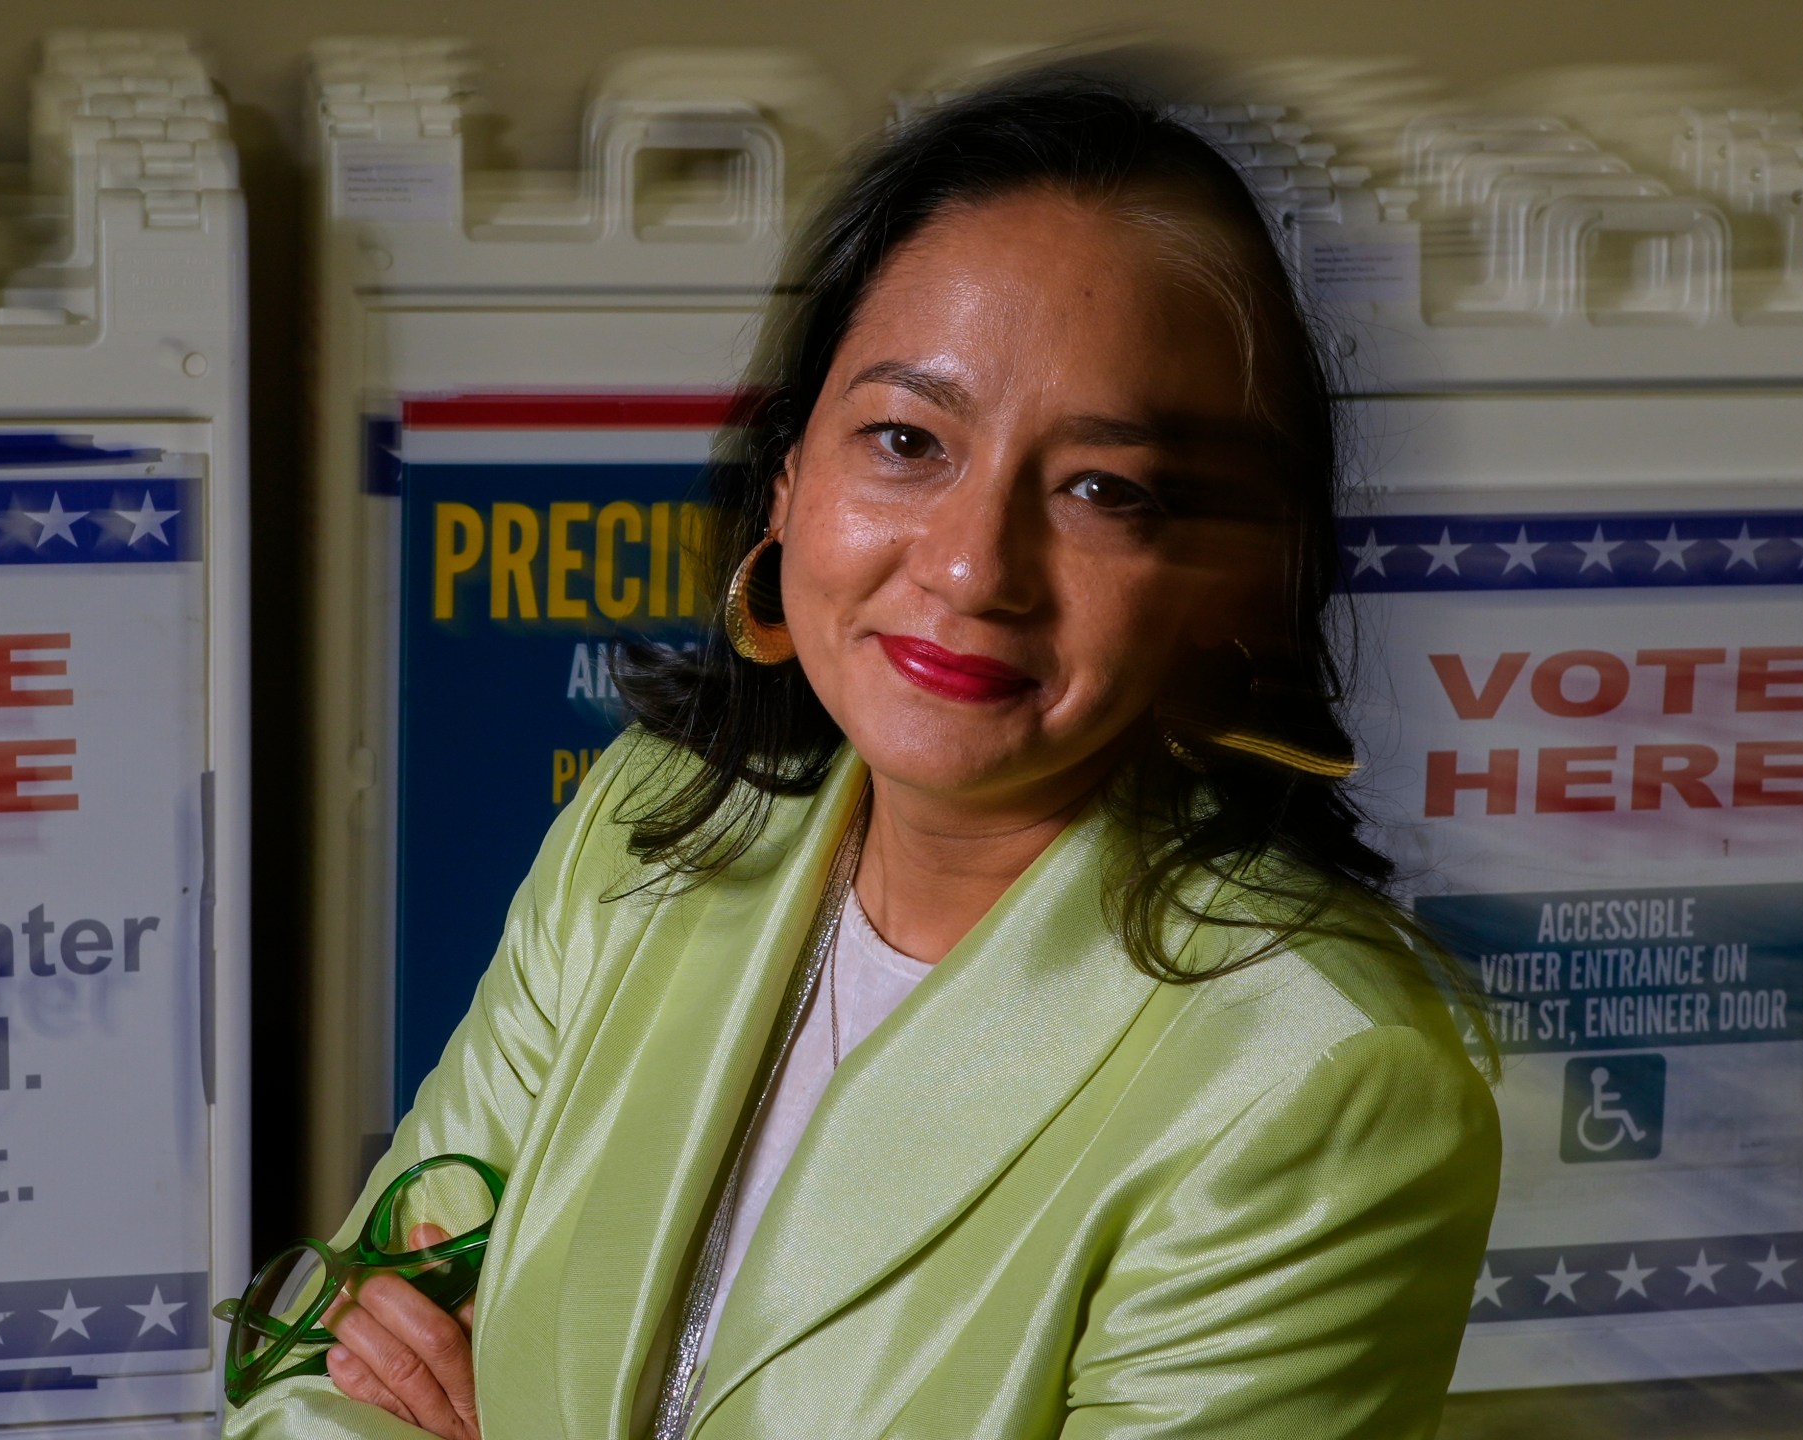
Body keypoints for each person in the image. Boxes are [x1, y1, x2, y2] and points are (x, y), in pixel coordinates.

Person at [233, 58, 1500, 1440]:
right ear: (788, 480)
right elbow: (315, 1361)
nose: (972, 566)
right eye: (907, 438)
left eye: (1102, 489)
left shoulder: (1317, 1077)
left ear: (1233, 578)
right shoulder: (652, 819)